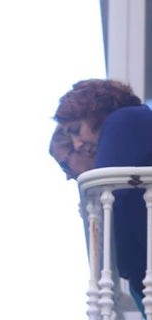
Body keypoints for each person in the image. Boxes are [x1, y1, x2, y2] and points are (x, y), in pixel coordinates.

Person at [50, 78, 152, 305]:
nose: (77, 144)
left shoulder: (123, 121)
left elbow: (119, 244)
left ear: (94, 110)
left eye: (76, 130)